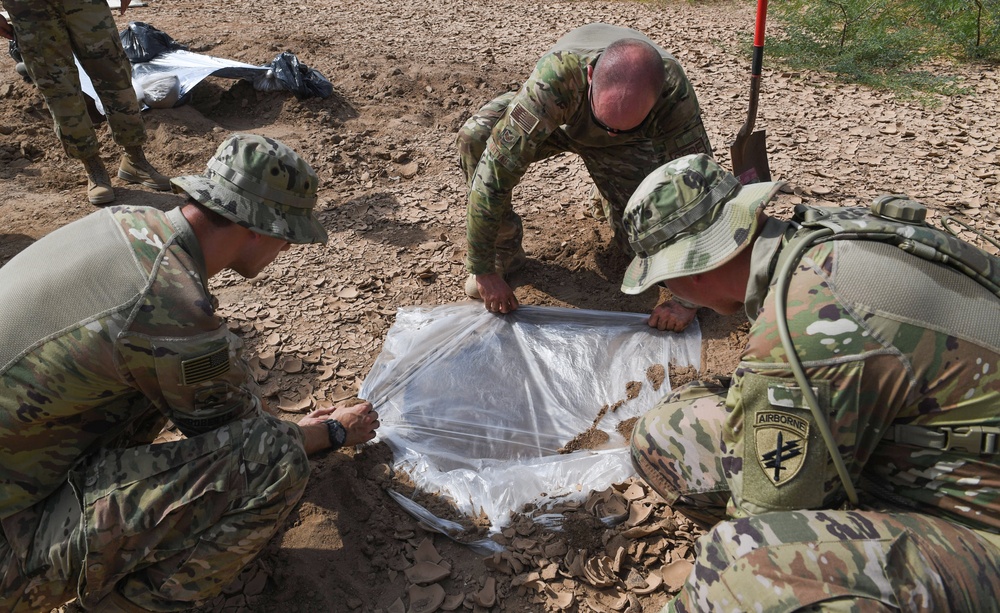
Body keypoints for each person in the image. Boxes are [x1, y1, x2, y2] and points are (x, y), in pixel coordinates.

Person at [0, 133, 381, 612]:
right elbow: (246, 437)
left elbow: (210, 396)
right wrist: (329, 431)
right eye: (288, 236)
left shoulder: (128, 223)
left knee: (147, 392)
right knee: (275, 462)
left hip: (20, 471)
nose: (286, 250)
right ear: (258, 227)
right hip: (10, 542)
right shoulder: (169, 302)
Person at [622, 153, 1000, 610]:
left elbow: (759, 532)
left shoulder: (801, 325)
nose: (673, 294)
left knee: (747, 572)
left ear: (694, 268)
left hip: (981, 526)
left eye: (669, 282)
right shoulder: (821, 239)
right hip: (931, 462)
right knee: (668, 432)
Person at [458, 22, 711, 330]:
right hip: (560, 124)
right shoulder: (556, 79)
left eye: (620, 124)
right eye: (605, 121)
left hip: (626, 148)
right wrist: (483, 269)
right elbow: (494, 172)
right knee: (477, 137)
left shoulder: (674, 92)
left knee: (643, 255)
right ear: (590, 76)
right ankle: (505, 250)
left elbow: (697, 188)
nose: (608, 131)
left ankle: (611, 197)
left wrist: (690, 299)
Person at [0, 0, 170, 206]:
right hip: (29, 8)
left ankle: (135, 160)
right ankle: (93, 167)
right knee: (60, 91)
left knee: (115, 77)